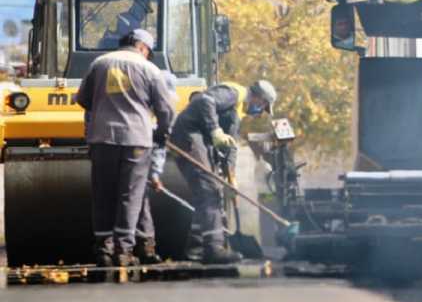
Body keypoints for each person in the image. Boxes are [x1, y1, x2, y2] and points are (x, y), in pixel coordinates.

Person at [77, 29, 176, 267]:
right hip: (136, 140)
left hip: (102, 138)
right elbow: (166, 109)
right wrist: (162, 134)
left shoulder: (99, 63)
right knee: (130, 195)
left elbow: (83, 99)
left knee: (103, 194)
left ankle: (103, 249)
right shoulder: (149, 69)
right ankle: (124, 249)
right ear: (142, 47)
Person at [170, 80, 277, 264]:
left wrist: (231, 177)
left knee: (211, 191)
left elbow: (231, 146)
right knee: (209, 190)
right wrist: (215, 130)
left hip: (200, 140)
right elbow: (206, 101)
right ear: (258, 98)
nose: (260, 112)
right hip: (190, 135)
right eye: (262, 107)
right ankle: (214, 249)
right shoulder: (235, 93)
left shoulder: (238, 112)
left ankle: (195, 248)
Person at [133, 70, 179, 264]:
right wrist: (154, 174)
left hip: (133, 158)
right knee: (135, 201)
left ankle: (142, 247)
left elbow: (160, 145)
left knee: (138, 200)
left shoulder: (156, 112)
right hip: (131, 156)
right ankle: (138, 247)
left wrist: (154, 174)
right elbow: (159, 144)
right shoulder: (141, 108)